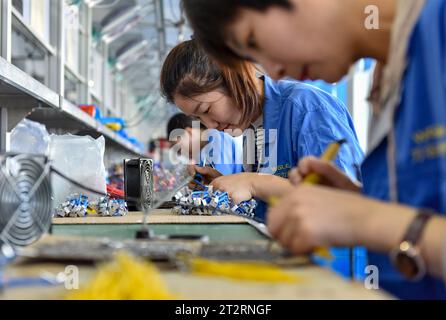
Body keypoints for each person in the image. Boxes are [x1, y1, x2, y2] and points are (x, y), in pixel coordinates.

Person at [182, 0, 446, 298]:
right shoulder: (387, 79)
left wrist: (362, 217)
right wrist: (354, 198)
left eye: (254, 40)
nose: (274, 71)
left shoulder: (438, 31)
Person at [160, 39, 364, 278]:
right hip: (286, 262)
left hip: (330, 271)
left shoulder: (307, 108)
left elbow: (345, 205)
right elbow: (271, 196)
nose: (210, 125)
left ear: (236, 76)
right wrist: (228, 182)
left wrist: (253, 182)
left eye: (206, 110)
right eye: (198, 119)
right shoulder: (251, 129)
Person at [166, 113, 243, 175]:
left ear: (189, 132)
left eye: (179, 149)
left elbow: (222, 180)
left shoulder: (216, 140)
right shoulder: (203, 152)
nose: (181, 154)